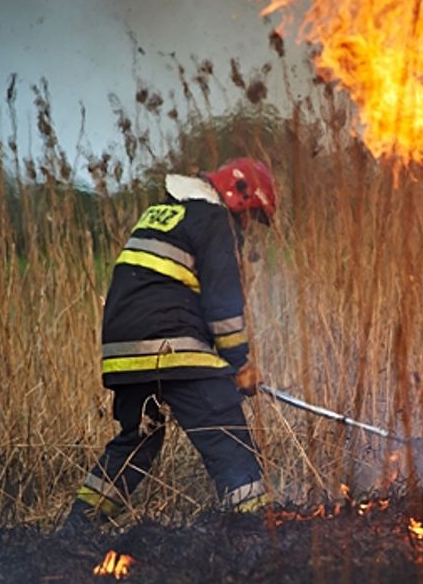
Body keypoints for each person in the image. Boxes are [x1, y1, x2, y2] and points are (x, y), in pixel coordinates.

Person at [63, 158, 277, 530]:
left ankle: (79, 528)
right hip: (172, 345)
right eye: (250, 216)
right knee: (224, 432)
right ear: (237, 198)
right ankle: (255, 529)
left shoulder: (165, 213)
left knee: (137, 442)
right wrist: (238, 364)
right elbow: (222, 304)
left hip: (123, 351)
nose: (247, 227)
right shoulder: (215, 221)